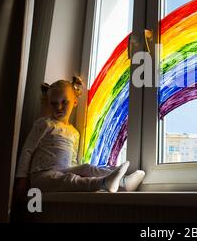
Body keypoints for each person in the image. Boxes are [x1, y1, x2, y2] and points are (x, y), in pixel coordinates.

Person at [14, 76, 145, 196]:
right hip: (42, 177)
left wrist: (79, 171)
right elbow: (27, 150)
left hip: (63, 171)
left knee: (86, 168)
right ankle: (104, 183)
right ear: (49, 104)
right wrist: (22, 178)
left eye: (64, 102)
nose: (59, 107)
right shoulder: (44, 124)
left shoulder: (74, 132)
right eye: (54, 103)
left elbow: (73, 161)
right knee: (69, 179)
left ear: (75, 102)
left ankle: (124, 181)